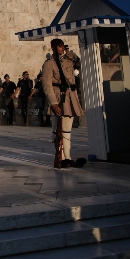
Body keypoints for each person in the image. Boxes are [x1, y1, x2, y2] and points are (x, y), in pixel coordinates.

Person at [41, 38, 87, 168]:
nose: (62, 48)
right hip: (58, 97)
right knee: (58, 129)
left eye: (63, 46)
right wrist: (54, 103)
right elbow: (47, 85)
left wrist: (69, 52)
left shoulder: (68, 60)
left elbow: (78, 62)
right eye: (60, 46)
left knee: (67, 129)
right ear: (54, 48)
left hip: (69, 96)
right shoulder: (49, 64)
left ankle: (67, 157)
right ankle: (60, 155)